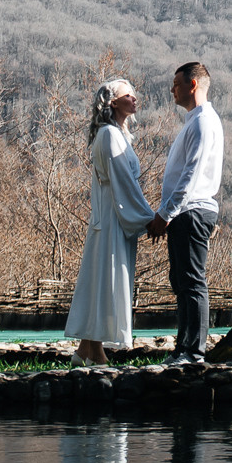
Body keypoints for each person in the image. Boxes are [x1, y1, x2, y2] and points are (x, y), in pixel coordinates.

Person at [65, 77, 156, 364]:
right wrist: (149, 218)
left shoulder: (118, 135)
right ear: (113, 102)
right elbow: (123, 182)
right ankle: (93, 353)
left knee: (101, 280)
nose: (134, 99)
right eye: (128, 95)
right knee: (103, 280)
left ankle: (88, 350)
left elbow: (125, 182)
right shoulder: (108, 136)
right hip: (111, 218)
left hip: (114, 217)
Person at [143, 61, 224, 365]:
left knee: (191, 281)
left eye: (176, 84)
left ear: (192, 85)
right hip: (184, 212)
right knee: (181, 280)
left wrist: (166, 213)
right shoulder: (196, 121)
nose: (171, 90)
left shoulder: (203, 122)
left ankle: (193, 351)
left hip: (191, 211)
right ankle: (183, 349)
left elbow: (190, 176)